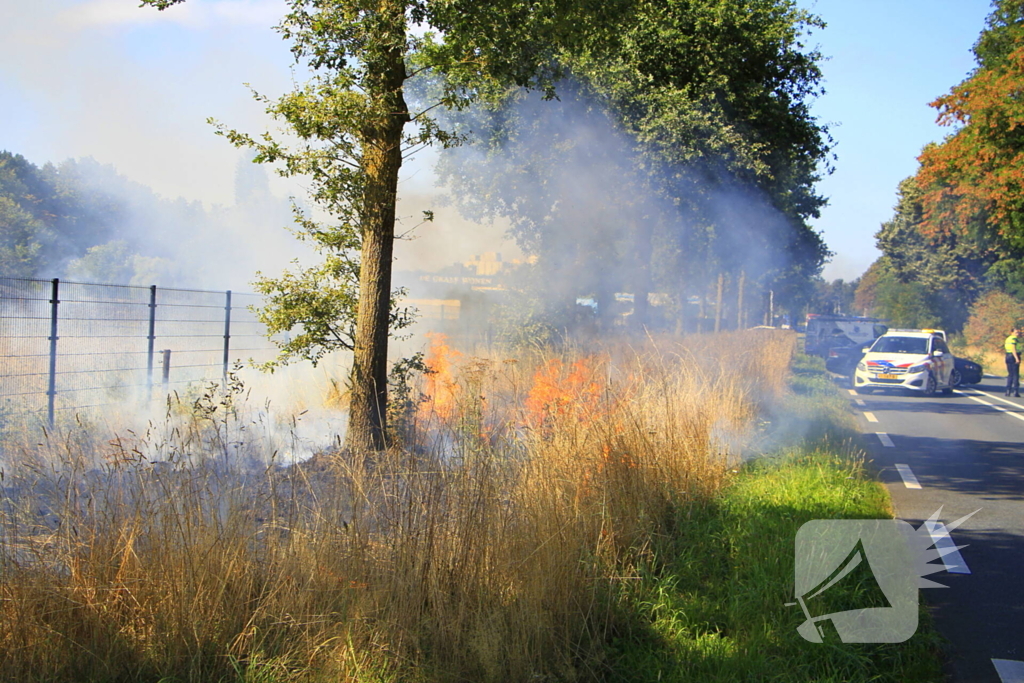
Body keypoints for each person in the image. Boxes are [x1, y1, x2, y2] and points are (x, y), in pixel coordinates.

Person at [1004, 326, 1022, 397]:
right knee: (1015, 375)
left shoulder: (1008, 339)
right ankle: (1015, 391)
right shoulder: (1014, 339)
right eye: (1016, 332)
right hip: (1013, 356)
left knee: (1010, 374)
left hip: (1008, 356)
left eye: (1018, 332)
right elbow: (1013, 349)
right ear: (1012, 332)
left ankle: (1008, 391)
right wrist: (1017, 358)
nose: (1017, 334)